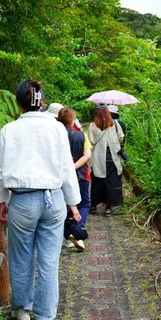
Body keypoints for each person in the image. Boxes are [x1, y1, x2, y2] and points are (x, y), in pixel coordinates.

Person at [0, 80, 81, 320]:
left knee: (21, 258)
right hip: (53, 199)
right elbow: (66, 169)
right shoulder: (57, 129)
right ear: (41, 102)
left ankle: (21, 311)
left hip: (22, 200)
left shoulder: (9, 130)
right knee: (49, 261)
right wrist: (74, 205)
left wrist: (1, 201)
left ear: (18, 103)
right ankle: (44, 319)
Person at [57, 106, 91, 250]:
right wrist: (74, 167)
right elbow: (87, 155)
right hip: (81, 175)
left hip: (60, 176)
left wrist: (67, 169)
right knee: (83, 203)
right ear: (72, 121)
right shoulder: (82, 135)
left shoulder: (56, 136)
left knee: (65, 205)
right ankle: (78, 230)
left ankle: (66, 235)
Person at [88, 104, 125, 216]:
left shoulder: (93, 126)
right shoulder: (115, 124)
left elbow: (90, 141)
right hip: (113, 158)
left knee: (97, 182)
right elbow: (121, 137)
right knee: (111, 183)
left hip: (99, 158)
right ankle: (108, 208)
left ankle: (94, 205)